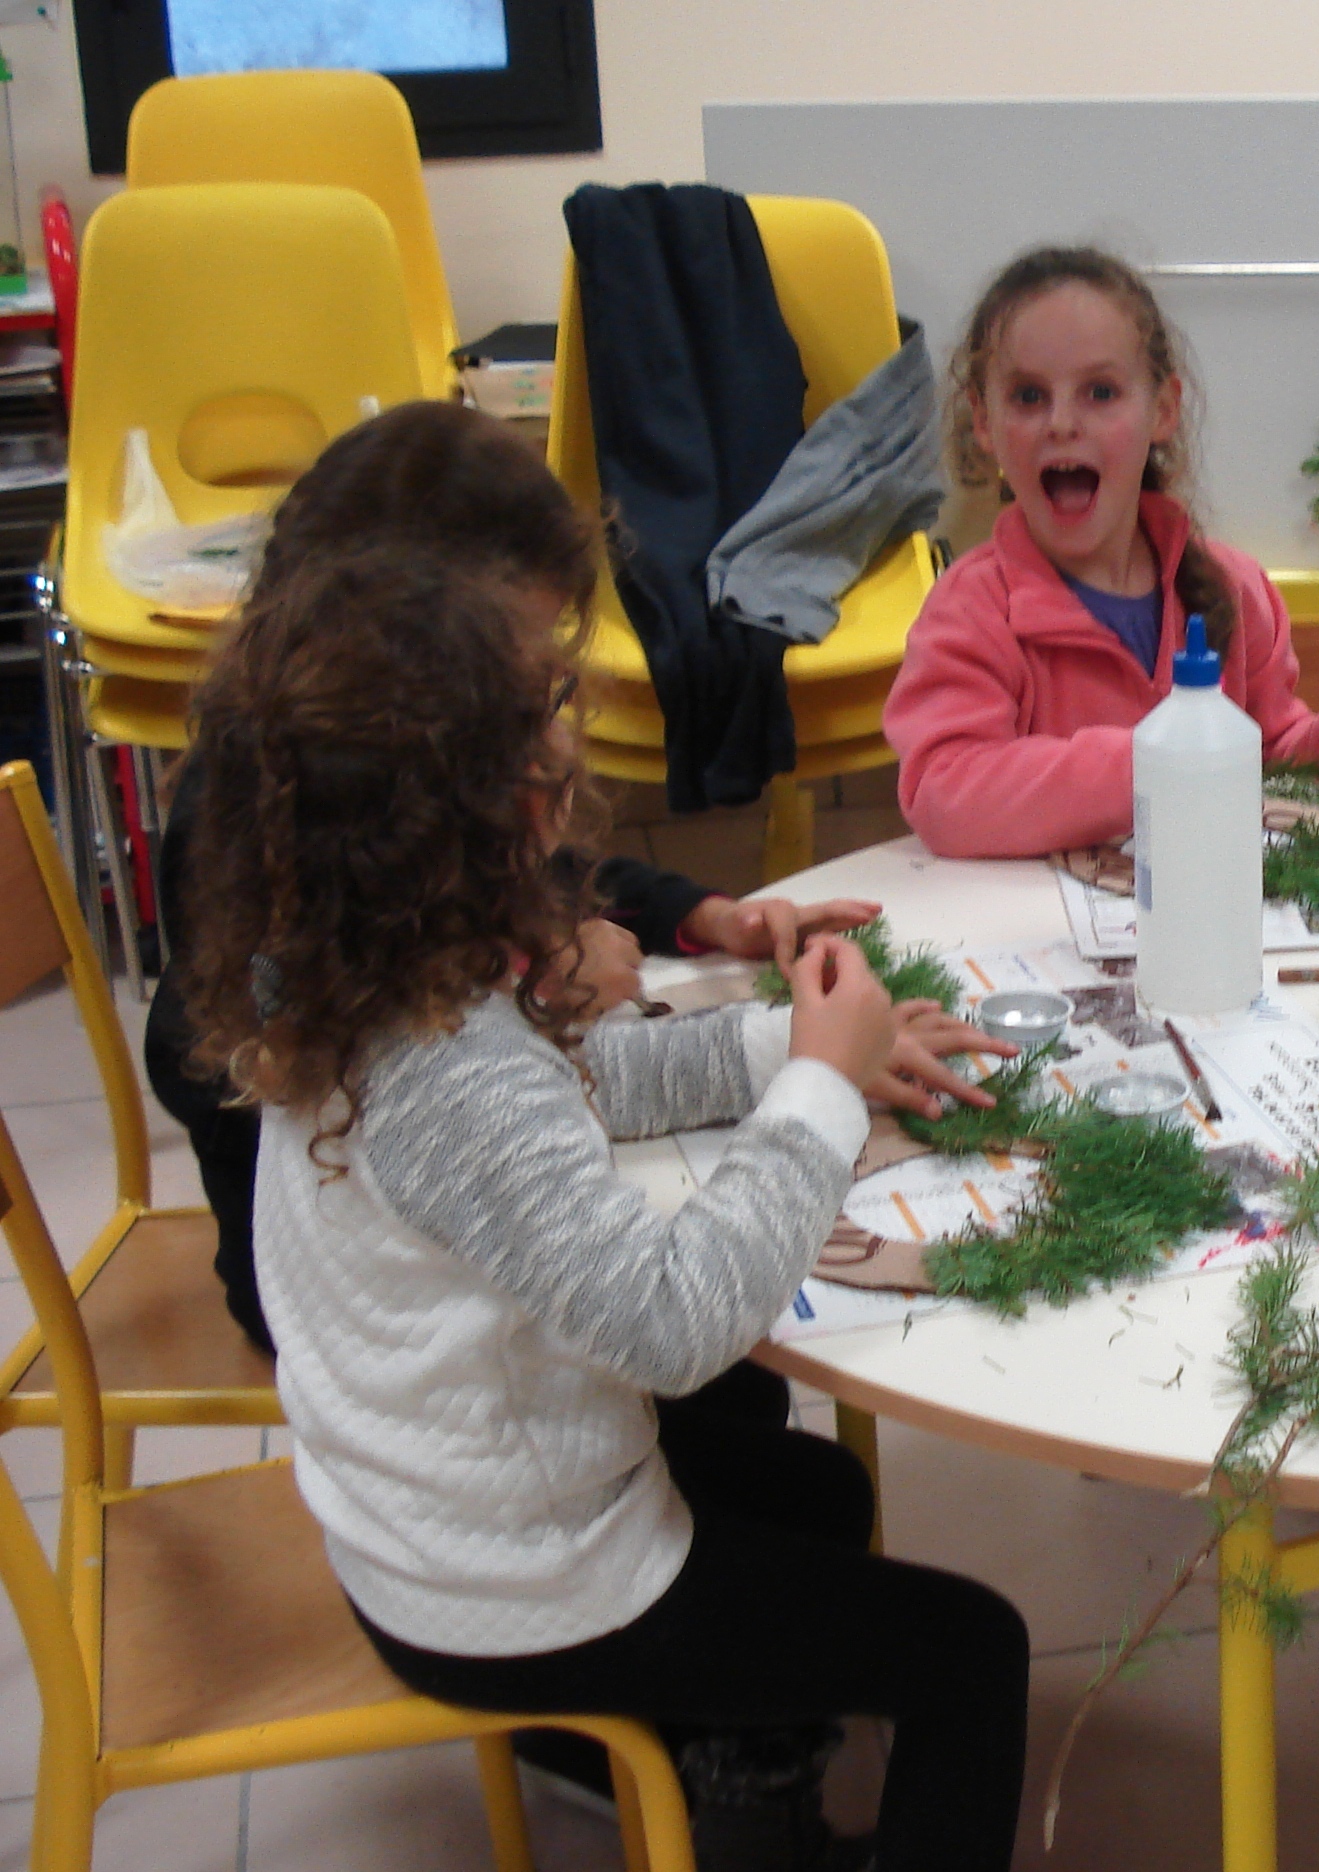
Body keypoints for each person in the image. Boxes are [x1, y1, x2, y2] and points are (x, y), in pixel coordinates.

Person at [172, 548, 1027, 1872]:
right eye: (551, 749)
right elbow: (672, 1323)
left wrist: (791, 1053)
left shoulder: (369, 973)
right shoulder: (446, 1073)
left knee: (807, 1490)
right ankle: (735, 1783)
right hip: (506, 1584)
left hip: (426, 1518)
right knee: (975, 1653)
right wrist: (813, 1092)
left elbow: (575, 1085)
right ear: (511, 802)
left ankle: (747, 1796)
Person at [141, 403, 911, 1354]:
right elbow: (663, 1318)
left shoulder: (380, 908)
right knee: (782, 1471)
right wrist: (818, 1086)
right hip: (373, 1326)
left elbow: (562, 1066)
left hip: (418, 1311)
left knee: (767, 1447)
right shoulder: (431, 1047)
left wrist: (771, 1023)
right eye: (532, 695)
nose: (565, 731)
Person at [883, 245, 1319, 859]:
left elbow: (1269, 759)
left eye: (1100, 392)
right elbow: (944, 793)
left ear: (1162, 410)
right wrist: (1148, 761)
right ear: (984, 422)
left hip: (1208, 917)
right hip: (1043, 936)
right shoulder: (973, 609)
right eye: (1029, 396)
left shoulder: (1235, 589)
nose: (1061, 422)